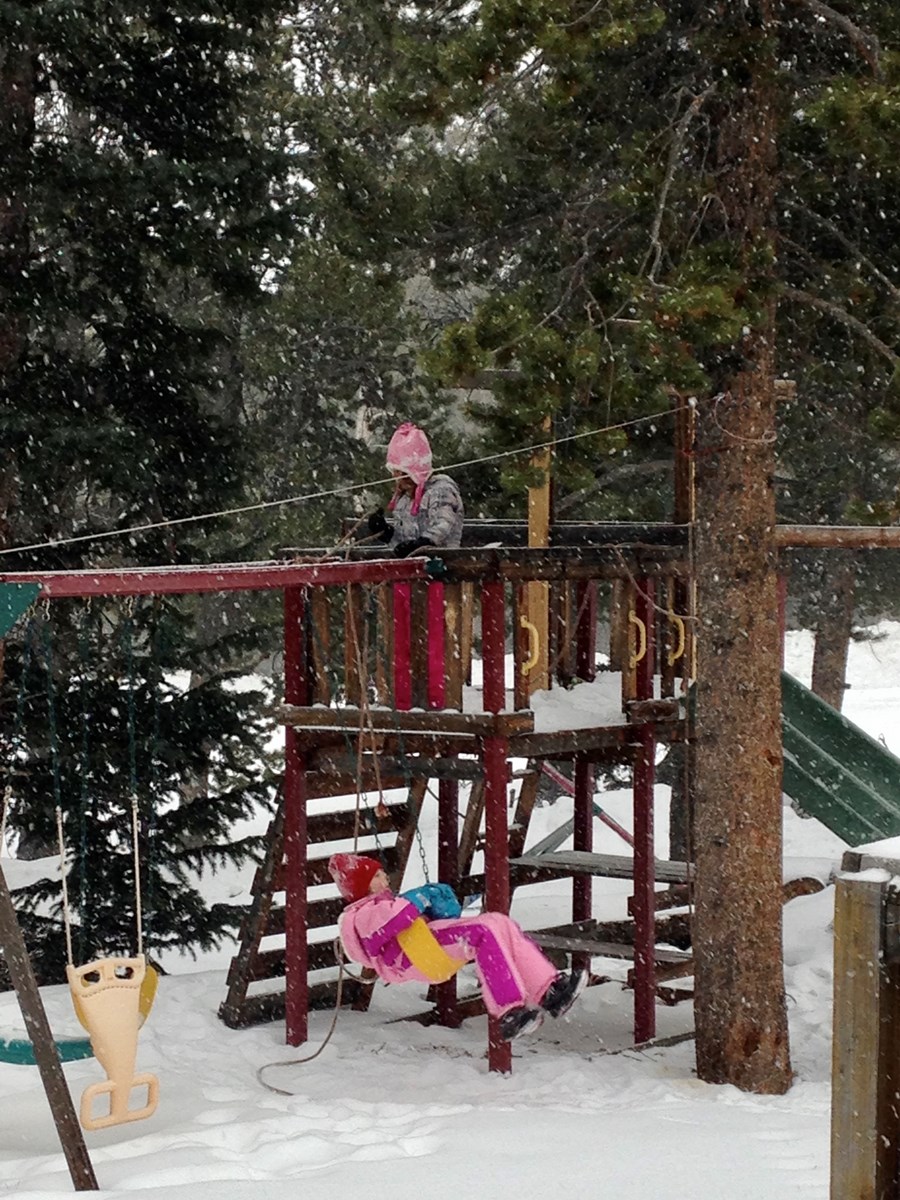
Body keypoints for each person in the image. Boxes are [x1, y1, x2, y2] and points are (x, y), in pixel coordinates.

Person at [328, 852, 587, 1042]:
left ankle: (549, 991)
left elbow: (402, 918)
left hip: (423, 947)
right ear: (363, 886)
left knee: (497, 923)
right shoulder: (362, 915)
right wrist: (420, 897)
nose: (384, 877)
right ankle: (509, 1011)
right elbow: (395, 919)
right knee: (482, 932)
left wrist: (433, 907)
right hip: (415, 956)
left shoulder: (382, 906)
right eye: (377, 875)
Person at [366, 422, 464, 557]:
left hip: (441, 562)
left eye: (399, 471)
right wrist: (387, 533)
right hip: (412, 564)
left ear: (411, 473)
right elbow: (404, 543)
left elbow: (443, 525)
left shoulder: (440, 491)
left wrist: (423, 543)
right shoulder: (404, 498)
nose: (395, 476)